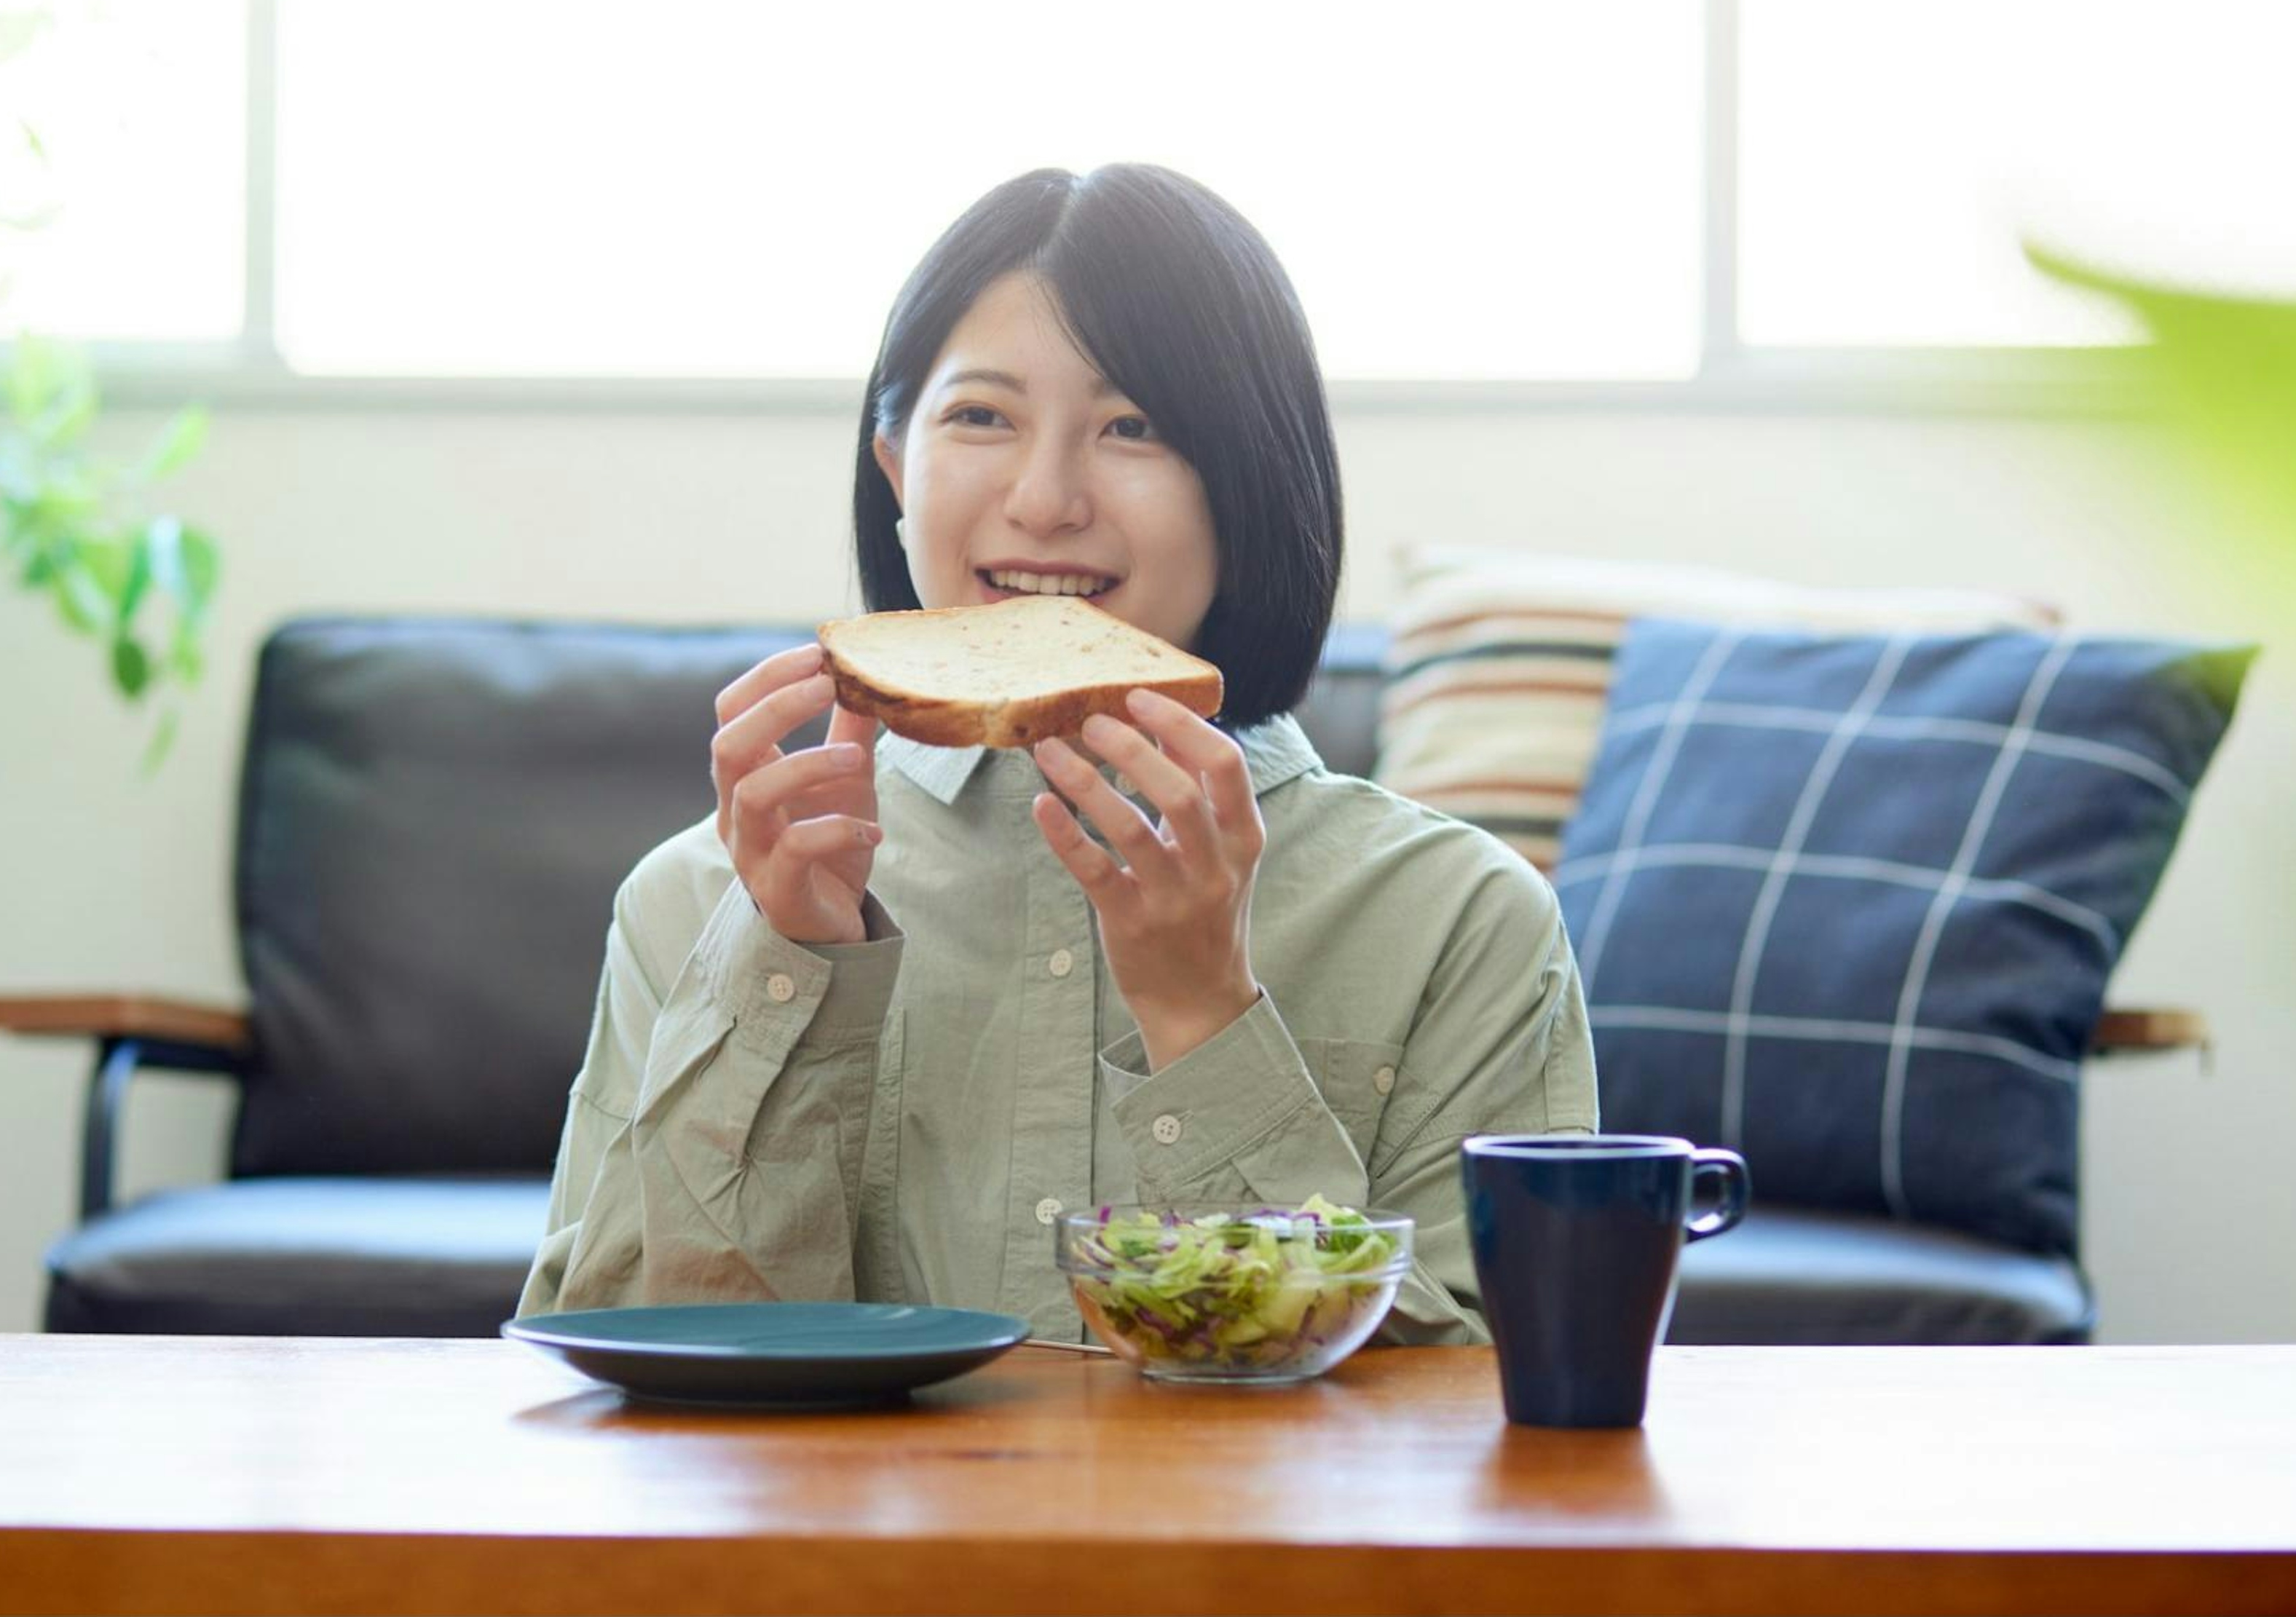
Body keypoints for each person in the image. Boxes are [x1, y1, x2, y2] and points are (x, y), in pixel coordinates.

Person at [518, 164, 1594, 1342]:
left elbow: (1491, 1422)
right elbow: (639, 1398)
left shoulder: (1462, 920)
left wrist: (1203, 1016)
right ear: (894, 464)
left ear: (1249, 485)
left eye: (1135, 427)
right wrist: (781, 973)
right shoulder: (698, 899)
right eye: (981, 416)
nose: (1045, 500)